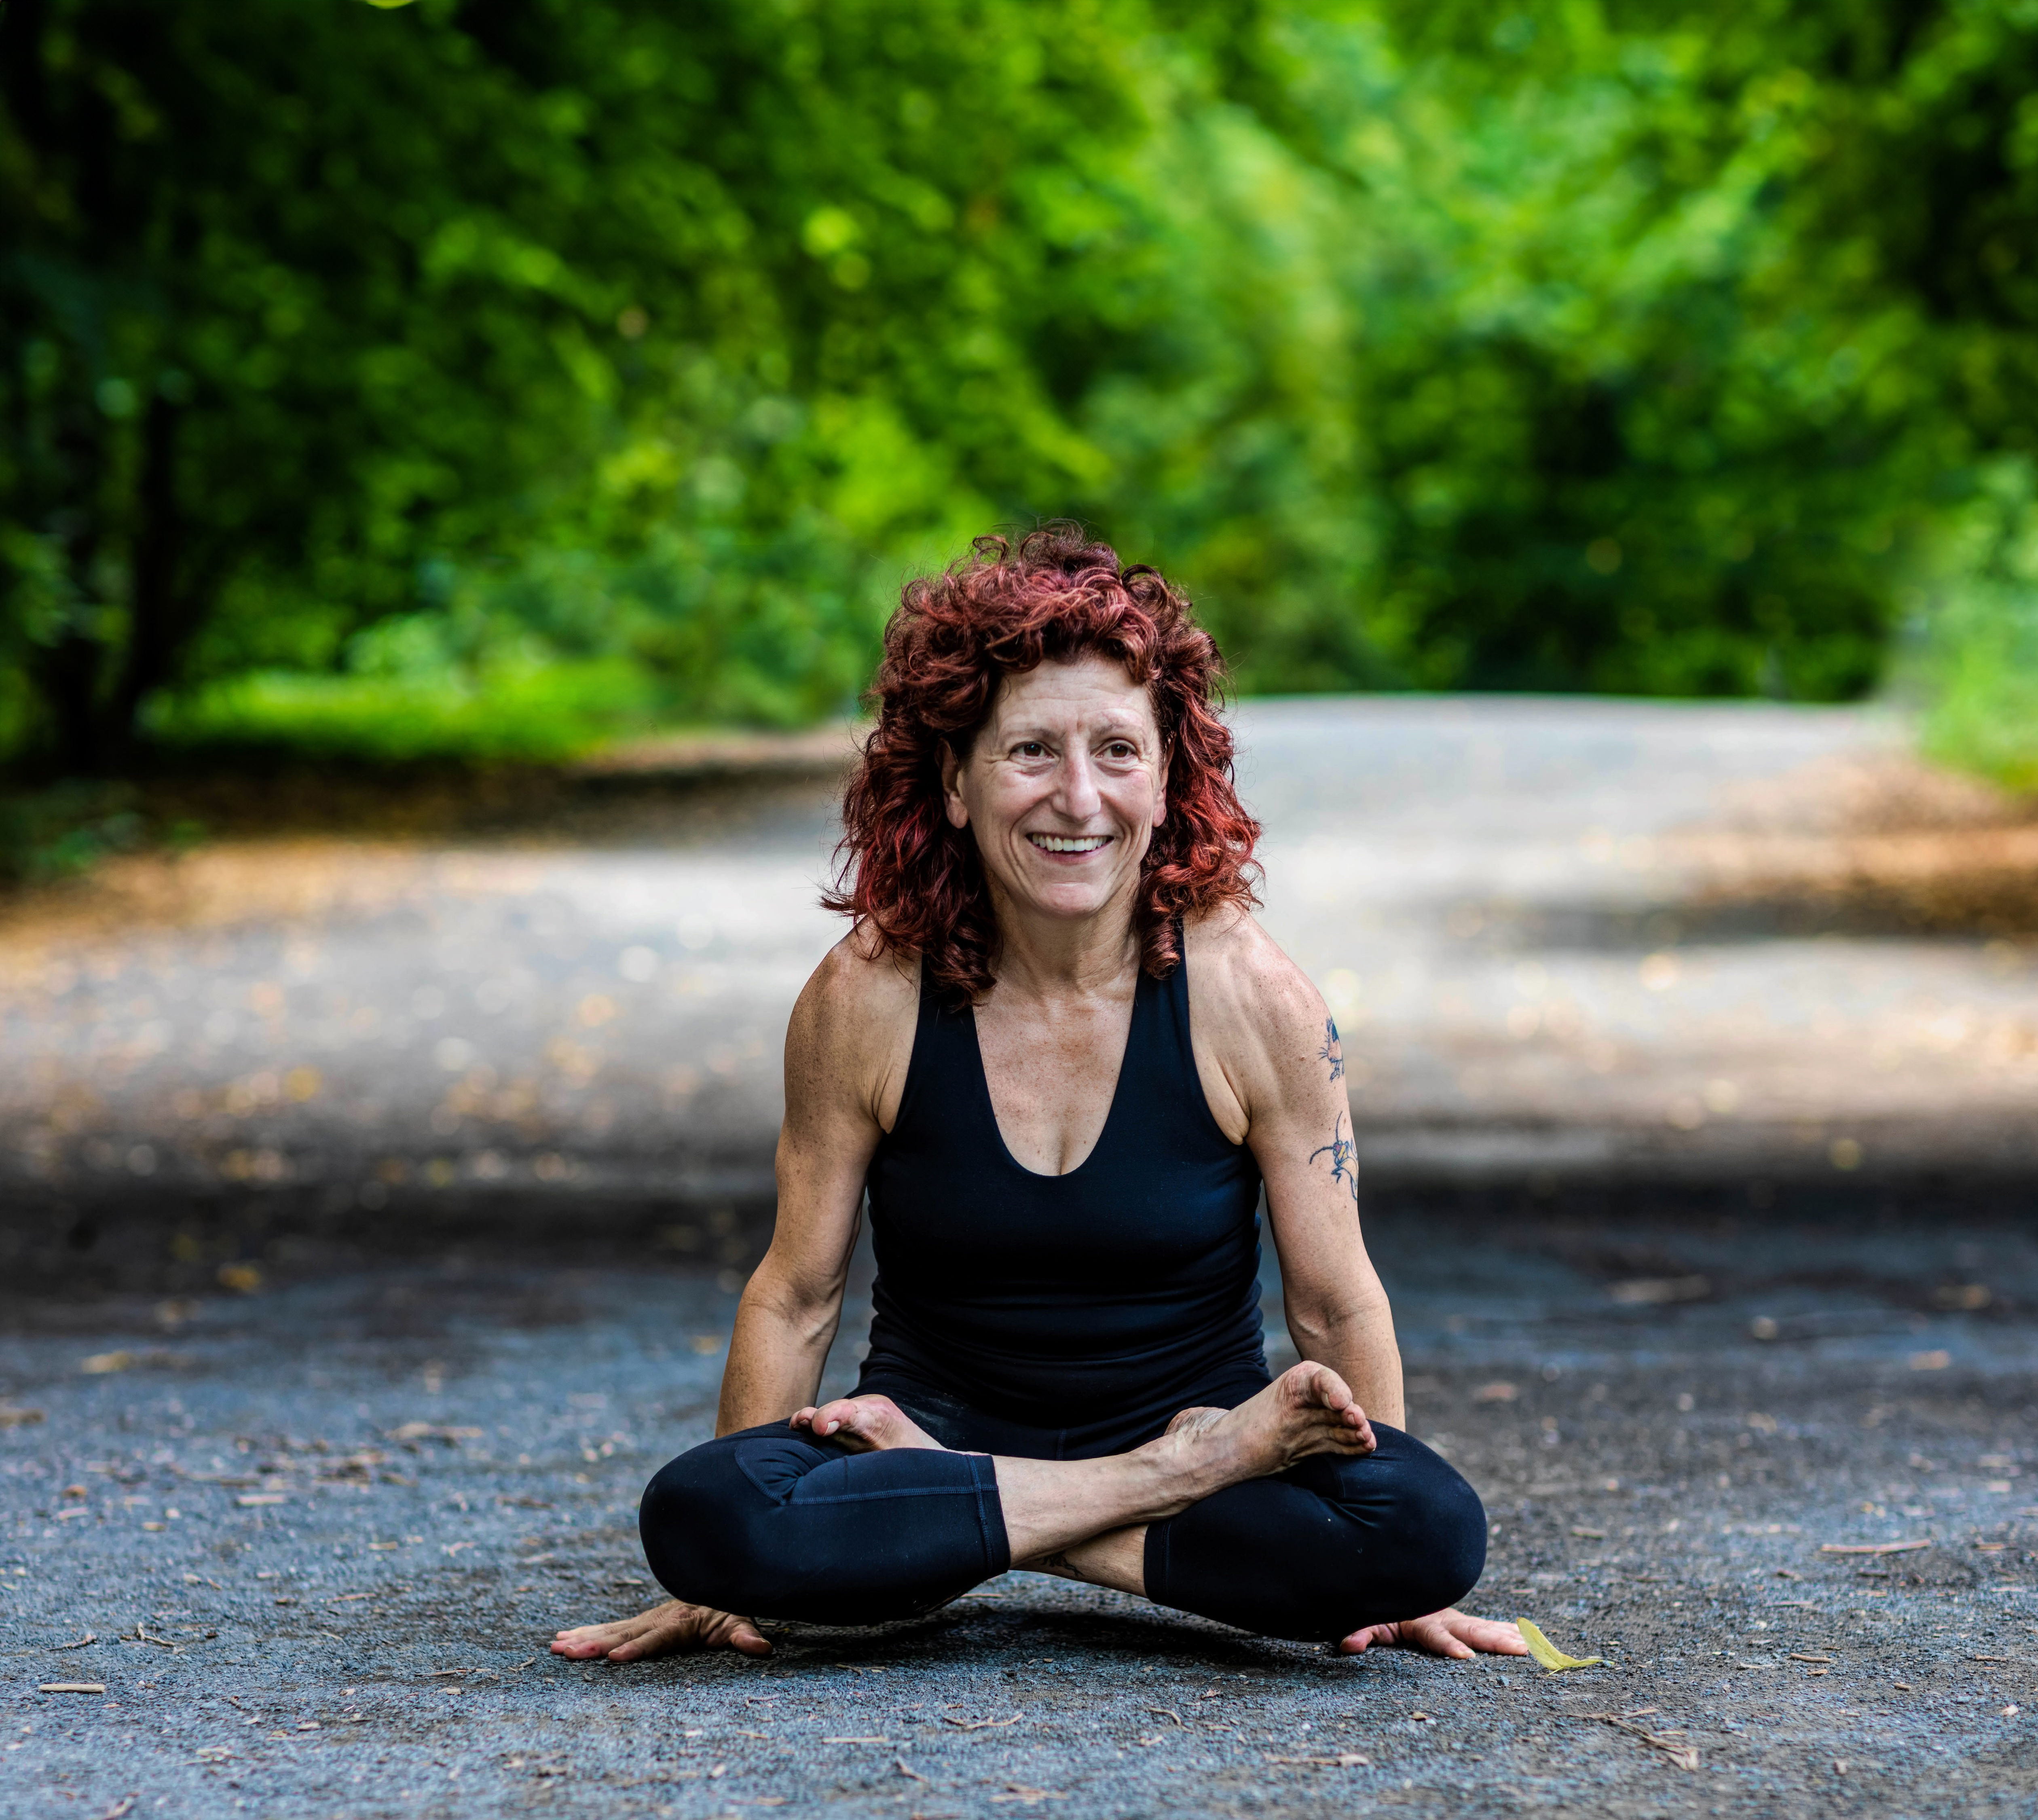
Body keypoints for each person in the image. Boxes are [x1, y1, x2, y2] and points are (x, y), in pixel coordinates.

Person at [554, 525, 1524, 1664]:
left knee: (1427, 1526)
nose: (1079, 797)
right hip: (1011, 1443)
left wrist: (1385, 1555)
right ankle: (1136, 1491)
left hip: (1031, 1462)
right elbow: (797, 1292)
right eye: (1030, 752)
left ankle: (1014, 1517)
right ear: (957, 784)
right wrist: (718, 1573)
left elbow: (1336, 1301)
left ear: (1168, 780)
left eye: (1118, 750)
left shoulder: (1252, 995)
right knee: (701, 1514)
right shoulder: (867, 996)